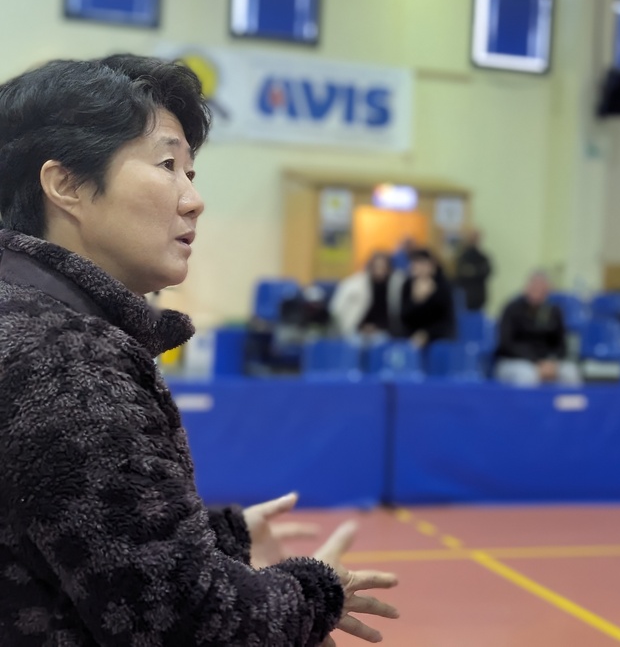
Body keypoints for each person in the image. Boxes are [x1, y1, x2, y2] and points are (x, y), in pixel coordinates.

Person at [0, 55, 398, 645]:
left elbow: (76, 531)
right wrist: (317, 592)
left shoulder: (26, 321)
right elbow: (189, 622)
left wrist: (220, 541)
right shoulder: (67, 359)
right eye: (167, 166)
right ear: (66, 185)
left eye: (191, 173)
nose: (194, 200)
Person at [494, 271, 581, 387]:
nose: (537, 291)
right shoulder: (512, 309)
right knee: (527, 375)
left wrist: (551, 362)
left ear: (548, 291)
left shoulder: (554, 312)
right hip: (515, 361)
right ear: (526, 288)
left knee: (570, 372)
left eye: (541, 288)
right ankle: (528, 401)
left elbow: (561, 345)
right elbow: (506, 344)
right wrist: (535, 361)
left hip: (547, 362)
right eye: (534, 287)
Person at [330, 251, 404, 339]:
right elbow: (337, 308)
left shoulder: (396, 286)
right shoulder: (354, 284)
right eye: (377, 266)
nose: (380, 270)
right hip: (355, 331)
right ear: (370, 267)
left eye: (384, 267)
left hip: (385, 331)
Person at [399, 247, 456, 347]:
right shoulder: (407, 285)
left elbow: (446, 320)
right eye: (415, 264)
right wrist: (416, 300)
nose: (418, 268)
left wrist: (427, 334)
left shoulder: (442, 285)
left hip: (438, 336)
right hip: (412, 336)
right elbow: (404, 317)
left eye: (422, 264)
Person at [453, 228, 493, 312]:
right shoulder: (462, 257)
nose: (473, 240)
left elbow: (487, 271)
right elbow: (459, 273)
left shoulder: (483, 258)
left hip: (478, 296)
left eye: (475, 237)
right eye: (471, 237)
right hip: (463, 296)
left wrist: (472, 271)